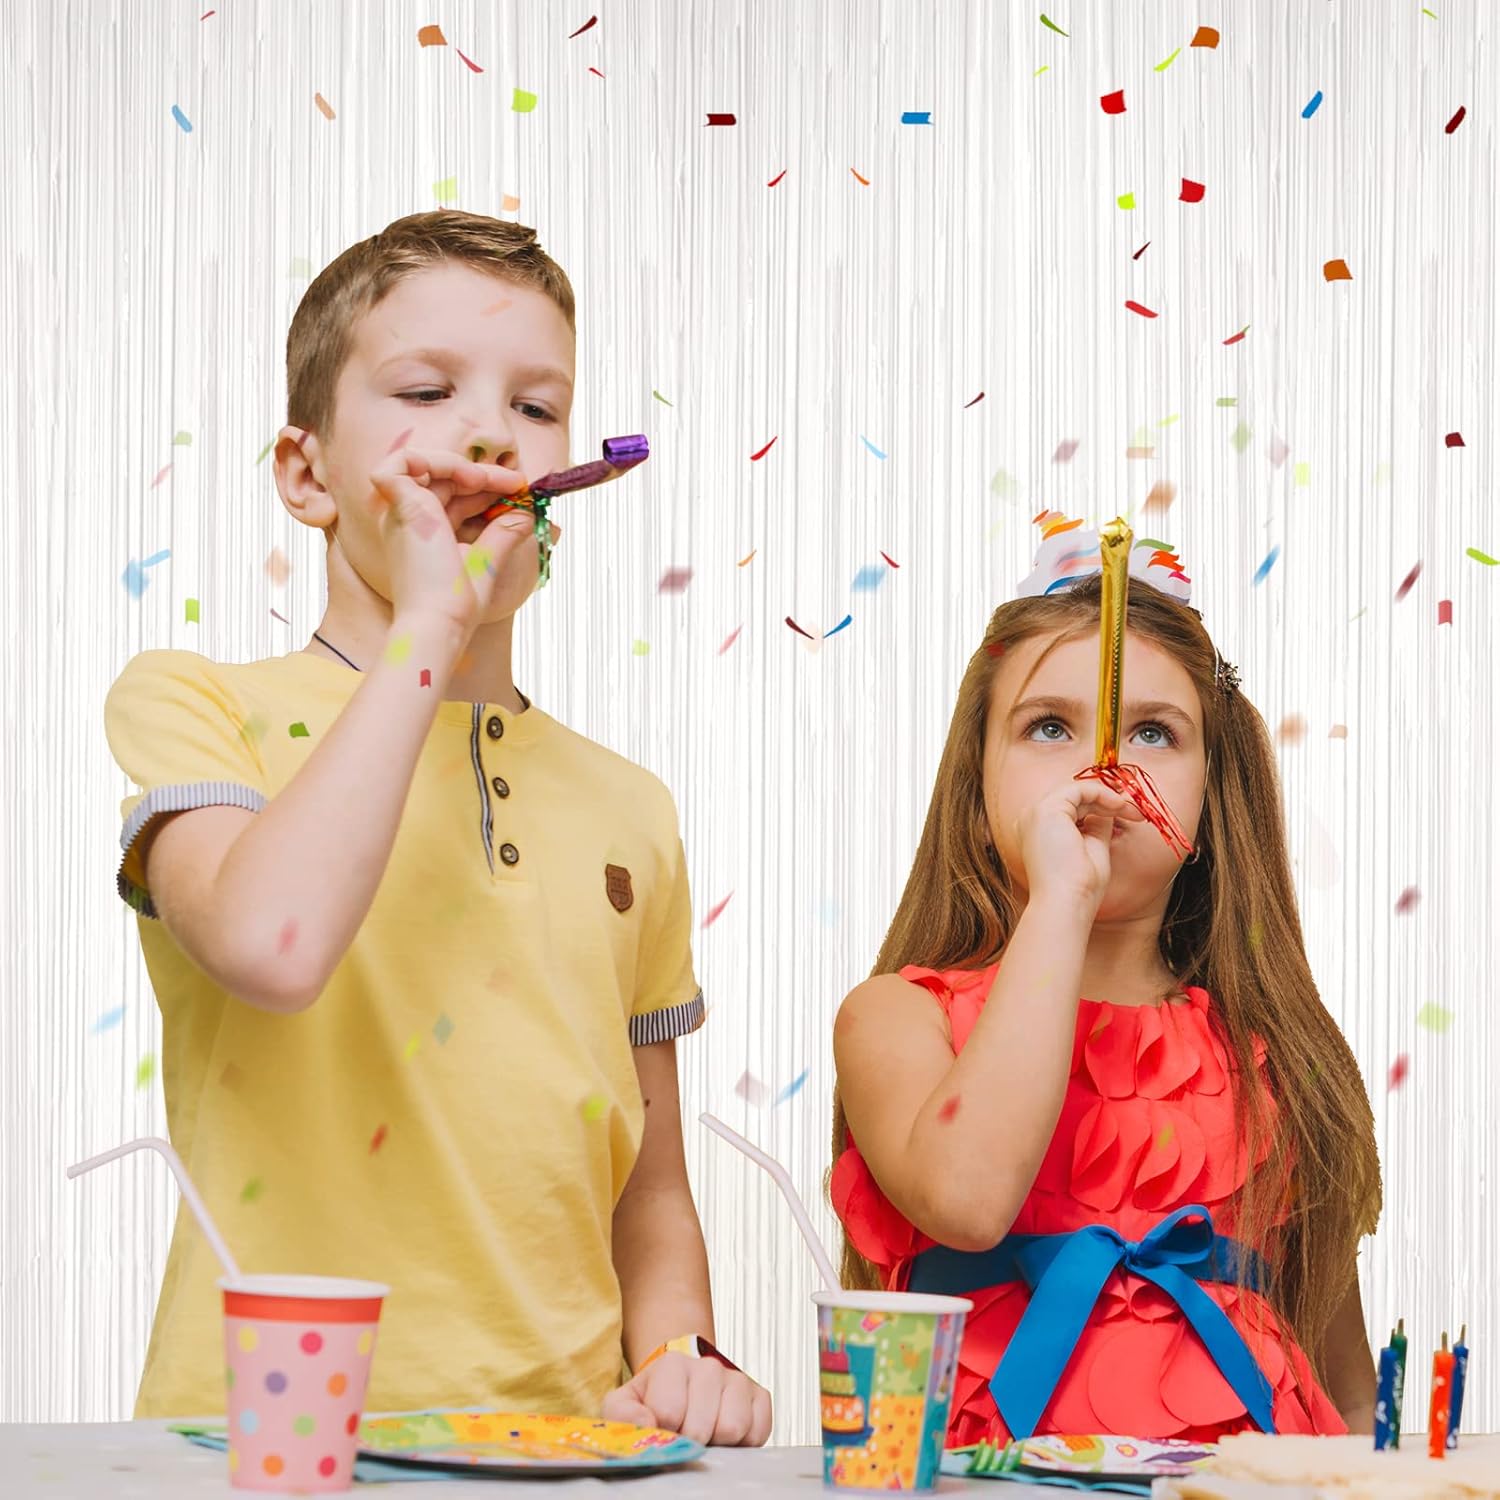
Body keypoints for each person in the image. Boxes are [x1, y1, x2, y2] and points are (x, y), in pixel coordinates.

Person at [103, 209, 771, 1446]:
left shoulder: (631, 807)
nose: (491, 435)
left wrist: (682, 1356)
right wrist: (430, 627)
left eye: (536, 406)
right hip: (265, 1441)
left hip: (564, 1452)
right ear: (307, 475)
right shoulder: (195, 705)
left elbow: (650, 1188)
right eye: (426, 391)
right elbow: (273, 945)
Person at [829, 512, 1382, 1445]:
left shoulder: (1274, 1057)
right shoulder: (895, 1018)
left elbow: (1348, 1392)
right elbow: (968, 1201)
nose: (1104, 768)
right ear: (978, 789)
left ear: (1211, 796)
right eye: (1049, 726)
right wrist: (1061, 900)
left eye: (1155, 733)